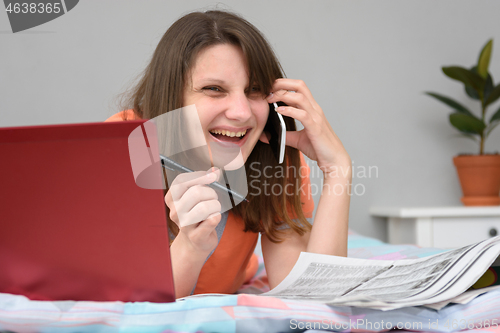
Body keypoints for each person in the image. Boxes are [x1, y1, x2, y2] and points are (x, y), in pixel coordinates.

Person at [106, 10, 351, 298]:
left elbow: (315, 297)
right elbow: (134, 301)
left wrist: (338, 170)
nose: (241, 112)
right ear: (172, 96)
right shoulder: (122, 148)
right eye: (214, 89)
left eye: (255, 90)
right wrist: (190, 247)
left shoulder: (272, 159)